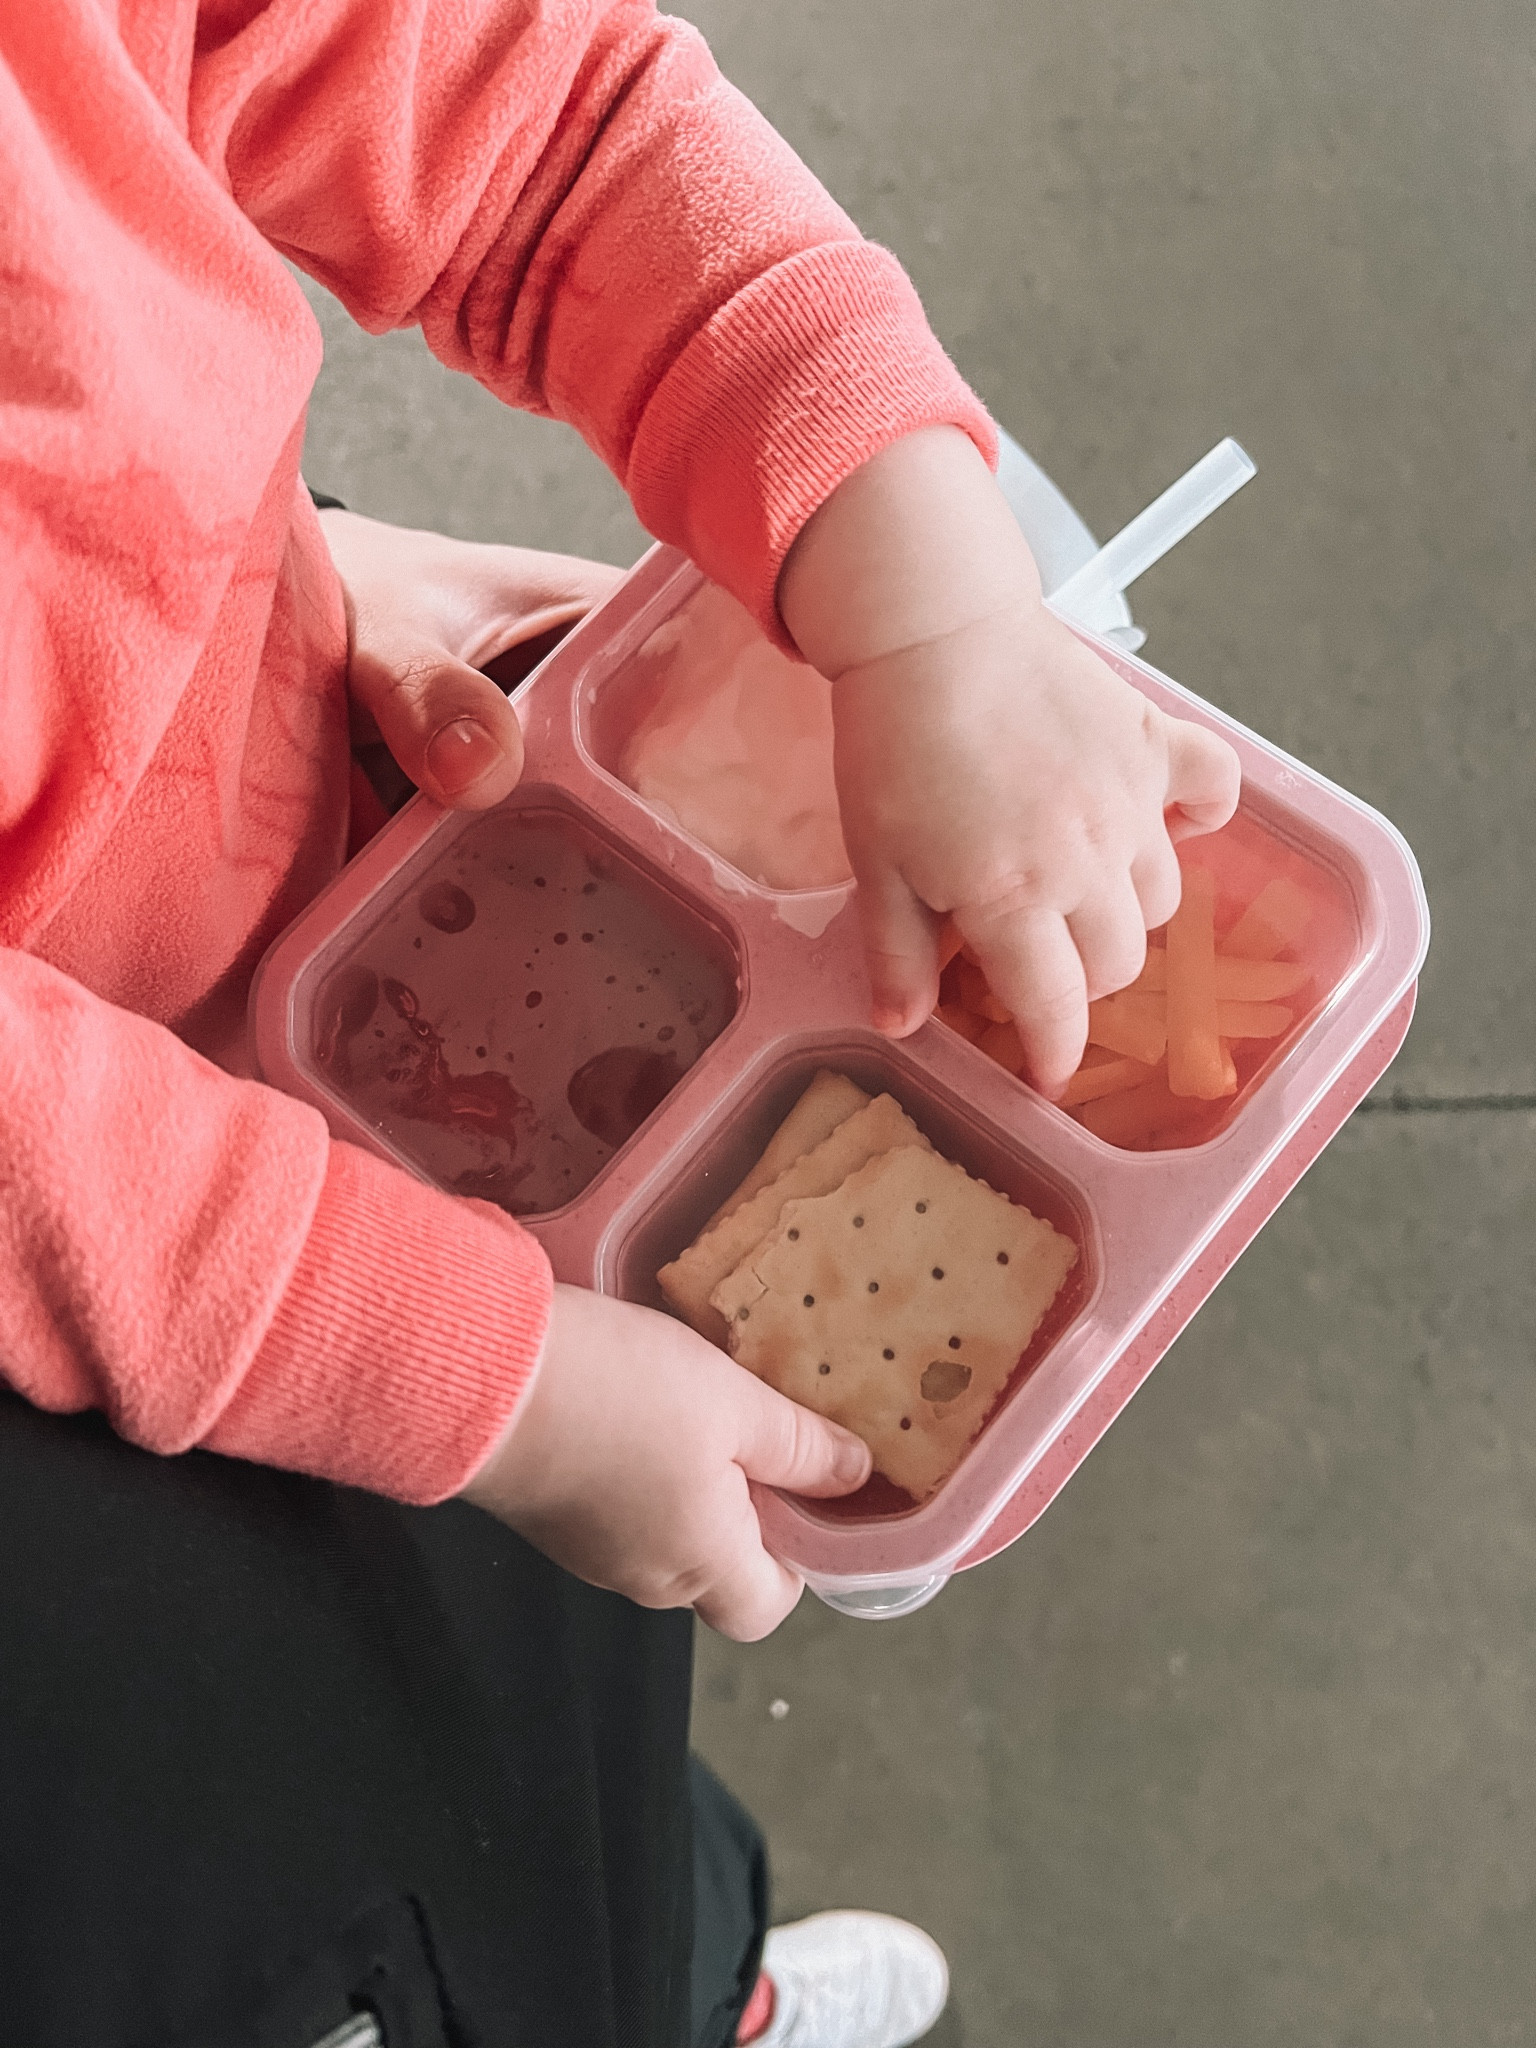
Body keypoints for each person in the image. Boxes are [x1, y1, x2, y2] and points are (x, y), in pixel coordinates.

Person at [0, 3, 1240, 2044]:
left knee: (579, 1688)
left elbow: (522, 104)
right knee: (398, 1824)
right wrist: (501, 1386)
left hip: (317, 983)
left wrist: (915, 574)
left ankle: (699, 1966)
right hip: (114, 1358)